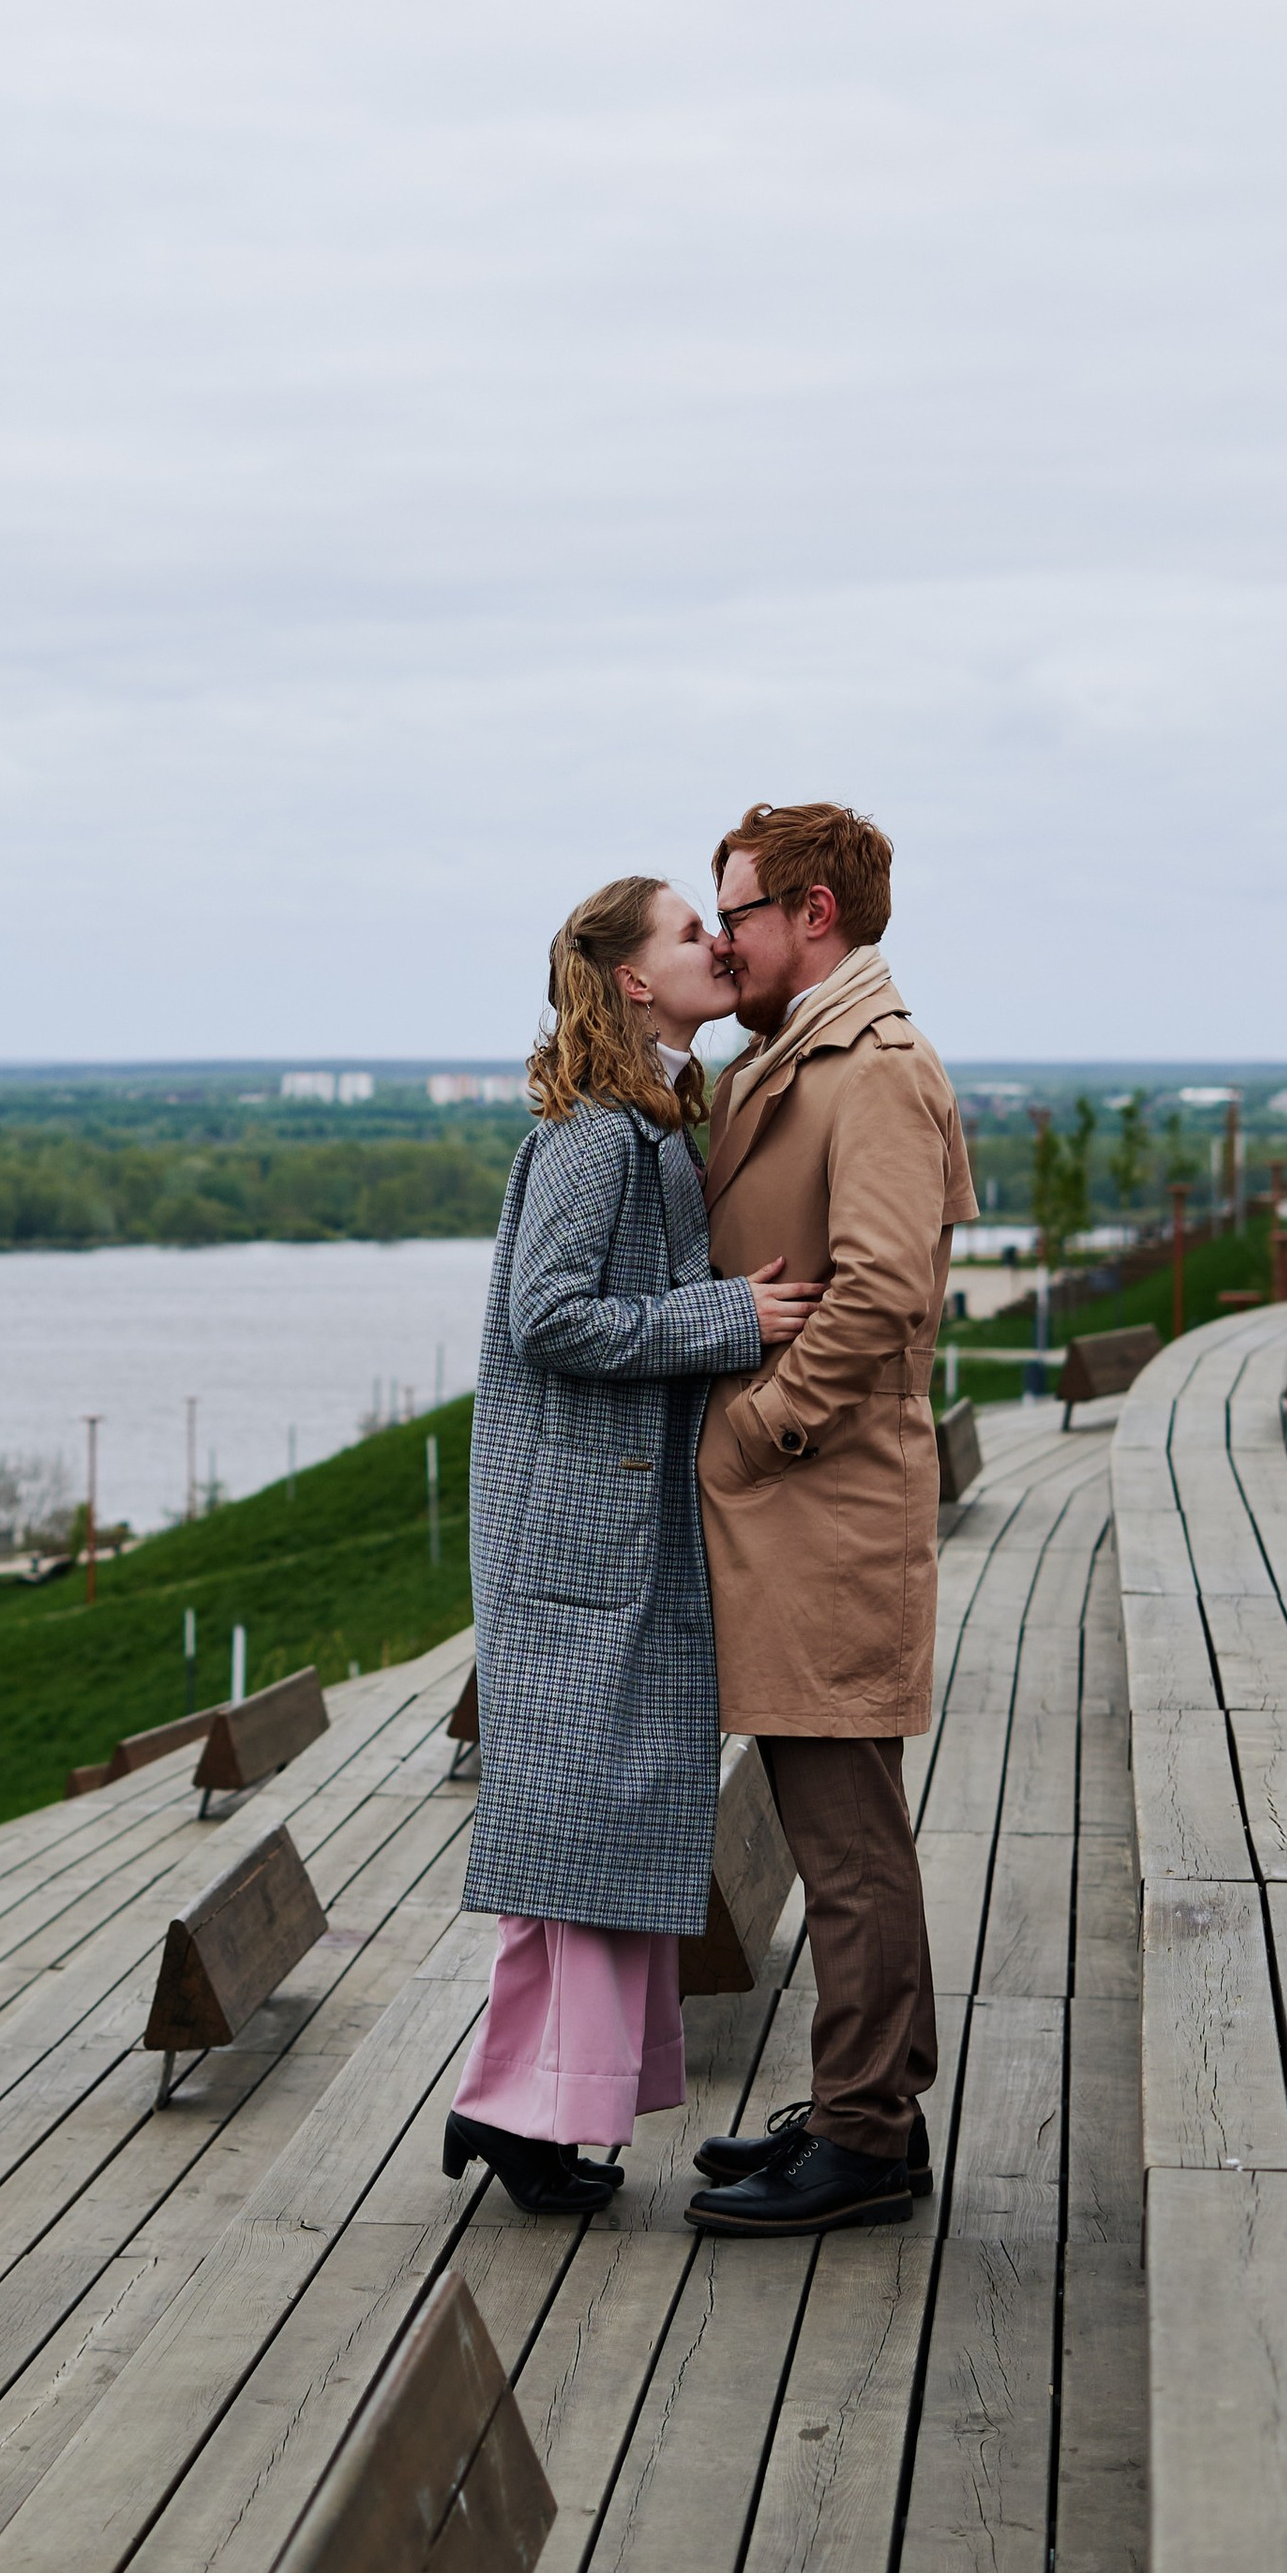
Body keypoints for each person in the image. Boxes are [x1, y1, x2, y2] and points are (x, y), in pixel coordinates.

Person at [451, 874, 822, 2215]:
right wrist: (728, 1317)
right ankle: (522, 2117)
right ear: (631, 980)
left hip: (612, 1539)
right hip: (577, 1547)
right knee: (577, 1837)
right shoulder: (596, 1133)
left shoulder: (651, 1114)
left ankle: (529, 2111)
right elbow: (550, 1314)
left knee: (590, 1838)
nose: (716, 943)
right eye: (686, 931)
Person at [684, 800, 975, 2239]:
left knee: (847, 1834)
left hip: (826, 1499)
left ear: (811, 912)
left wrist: (752, 1426)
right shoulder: (793, 1057)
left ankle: (869, 2130)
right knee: (829, 1821)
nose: (718, 934)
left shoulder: (875, 1070)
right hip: (794, 1509)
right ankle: (863, 2099)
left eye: (732, 910)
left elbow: (881, 1294)